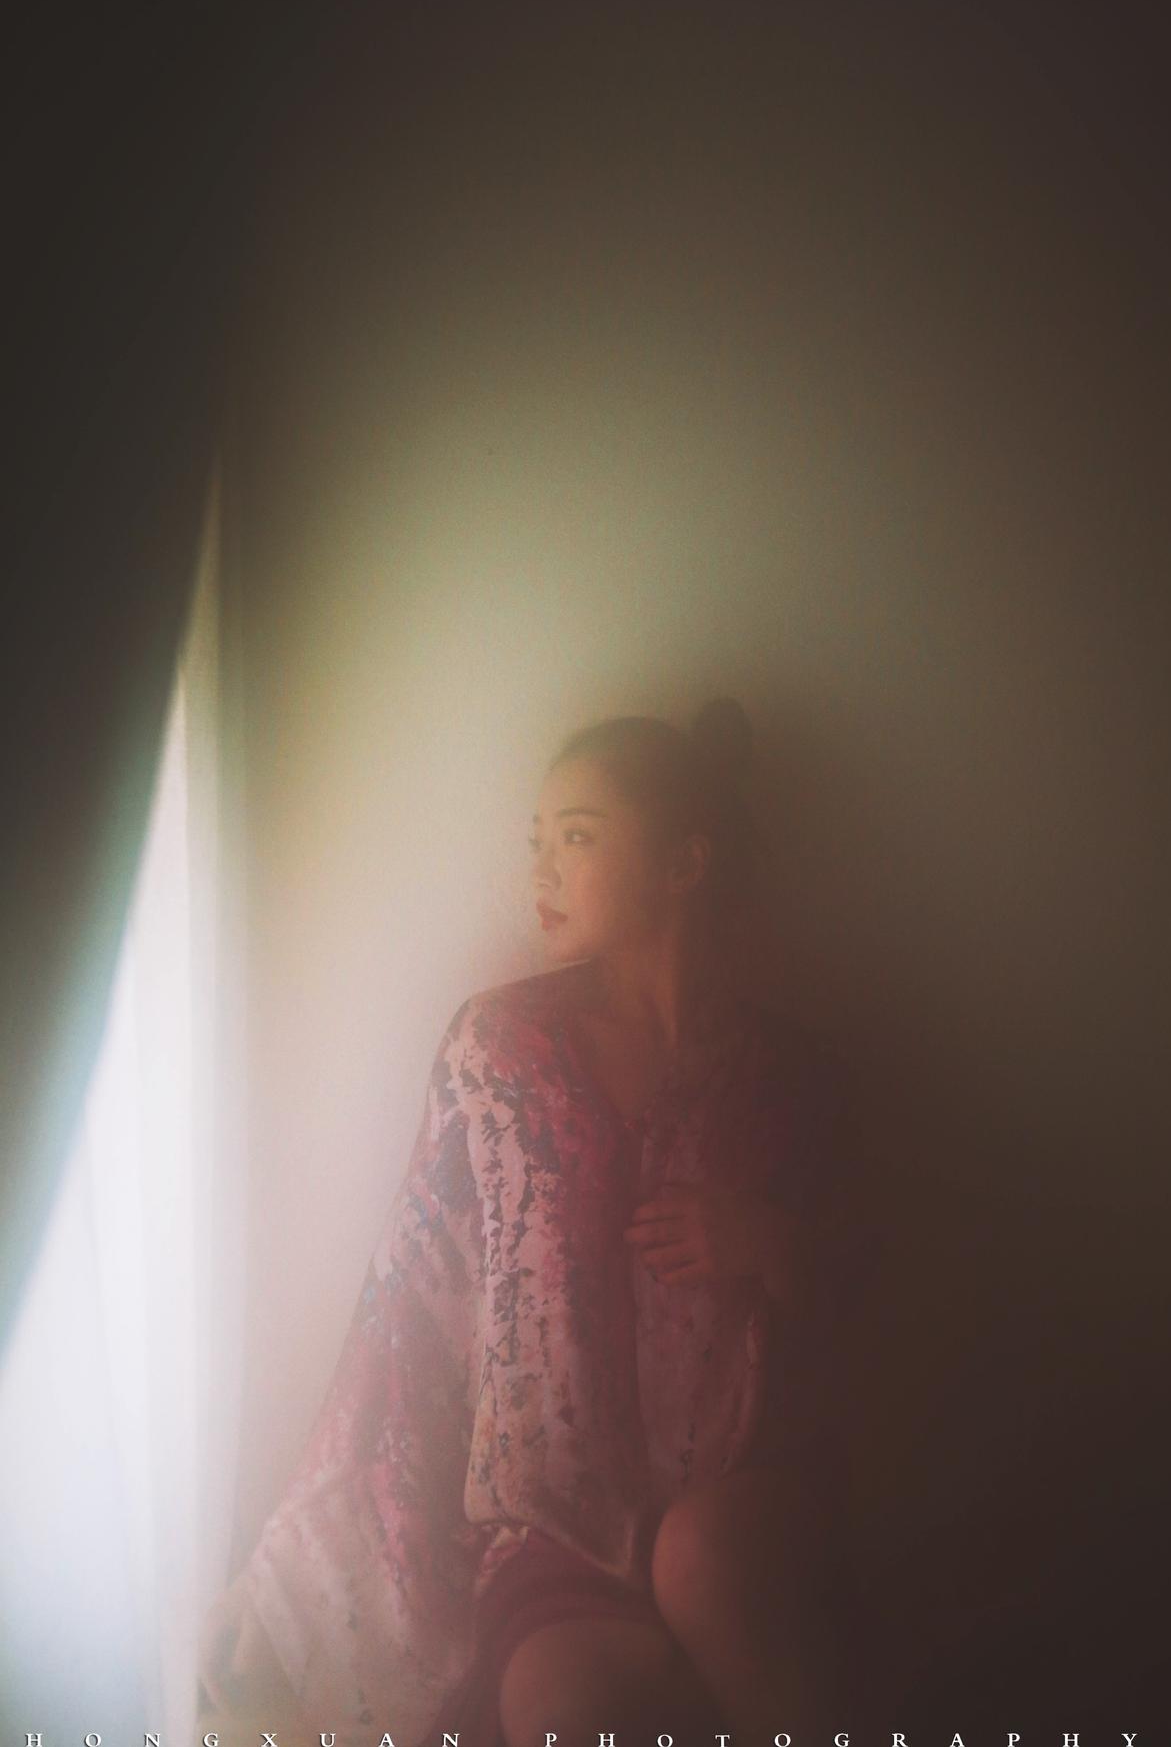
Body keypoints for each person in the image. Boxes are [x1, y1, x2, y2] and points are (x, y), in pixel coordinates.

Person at [198, 697, 864, 1745]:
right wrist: (280, 1581)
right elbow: (405, 1301)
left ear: (683, 863)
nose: (542, 871)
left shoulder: (786, 1077)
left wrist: (768, 1243)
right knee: (563, 1711)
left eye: (577, 838)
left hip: (741, 1491)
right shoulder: (500, 1048)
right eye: (535, 843)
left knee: (701, 1558)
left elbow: (872, 1309)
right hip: (555, 1524)